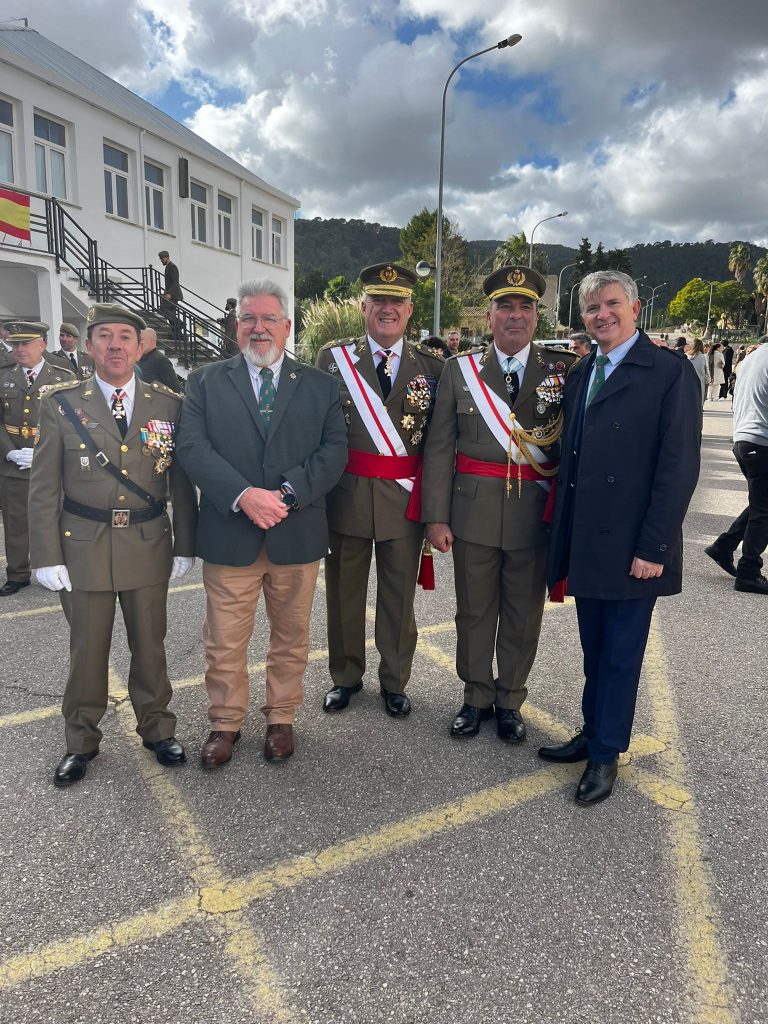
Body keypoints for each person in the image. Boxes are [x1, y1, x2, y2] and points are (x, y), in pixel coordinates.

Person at [542, 271, 701, 804]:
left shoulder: (668, 372)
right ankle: (593, 732)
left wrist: (654, 547)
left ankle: (606, 753)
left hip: (634, 543)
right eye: (591, 307)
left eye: (611, 304)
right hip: (588, 538)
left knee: (621, 654)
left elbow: (677, 468)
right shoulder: (584, 368)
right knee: (595, 650)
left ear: (635, 308)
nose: (601, 314)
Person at [176, 279, 347, 767]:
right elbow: (191, 447)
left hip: (296, 534)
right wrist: (244, 495)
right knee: (225, 639)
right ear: (236, 327)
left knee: (291, 637)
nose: (258, 328)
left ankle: (281, 718)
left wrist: (287, 495)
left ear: (287, 327)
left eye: (269, 318)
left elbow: (333, 453)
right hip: (231, 532)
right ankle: (225, 723)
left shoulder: (319, 385)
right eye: (248, 318)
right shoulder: (205, 382)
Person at [28, 303, 198, 787]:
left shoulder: (167, 403)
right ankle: (80, 741)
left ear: (141, 345)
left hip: (147, 542)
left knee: (151, 646)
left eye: (126, 336)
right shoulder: (60, 402)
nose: (116, 345)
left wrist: (185, 542)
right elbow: (43, 487)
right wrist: (45, 556)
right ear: (88, 346)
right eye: (105, 336)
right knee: (87, 650)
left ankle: (158, 729)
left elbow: (181, 482)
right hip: (82, 546)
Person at [423, 266, 578, 742]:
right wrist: (435, 516)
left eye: (525, 307)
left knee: (522, 613)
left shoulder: (563, 369)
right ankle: (475, 696)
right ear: (488, 316)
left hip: (535, 514)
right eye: (505, 307)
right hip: (471, 513)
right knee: (473, 611)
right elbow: (439, 447)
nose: (515, 315)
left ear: (538, 317)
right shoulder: (459, 369)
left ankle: (509, 699)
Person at [316, 262, 444, 717]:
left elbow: (438, 445)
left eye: (397, 302)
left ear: (410, 310)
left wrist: (436, 510)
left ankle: (394, 679)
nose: (387, 309)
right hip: (347, 497)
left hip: (404, 500)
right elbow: (320, 433)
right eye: (379, 301)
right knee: (344, 595)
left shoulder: (433, 366)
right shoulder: (333, 360)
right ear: (364, 306)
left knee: (397, 598)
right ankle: (346, 676)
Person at [0, 322, 75, 596]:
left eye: (25, 343)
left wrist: (44, 452)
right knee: (16, 521)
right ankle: (17, 573)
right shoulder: (4, 376)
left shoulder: (62, 377)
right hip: (14, 462)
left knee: (56, 517)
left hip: (52, 463)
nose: (18, 349)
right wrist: (9, 451)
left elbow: (74, 421)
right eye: (15, 344)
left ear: (41, 345)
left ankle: (57, 566)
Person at [704, 341, 768, 594]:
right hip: (762, 441)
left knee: (762, 503)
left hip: (745, 439)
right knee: (764, 511)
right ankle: (748, 572)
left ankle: (724, 546)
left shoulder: (755, 355)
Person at [158, 250, 184, 342]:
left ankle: (179, 323)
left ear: (166, 257)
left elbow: (175, 282)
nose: (161, 260)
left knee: (163, 308)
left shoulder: (172, 267)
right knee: (171, 314)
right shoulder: (168, 267)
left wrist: (169, 293)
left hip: (173, 294)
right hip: (172, 293)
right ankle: (178, 335)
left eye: (162, 259)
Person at [686, 337, 709, 407]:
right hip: (700, 382)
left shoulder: (686, 356)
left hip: (687, 383)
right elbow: (706, 371)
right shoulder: (703, 357)